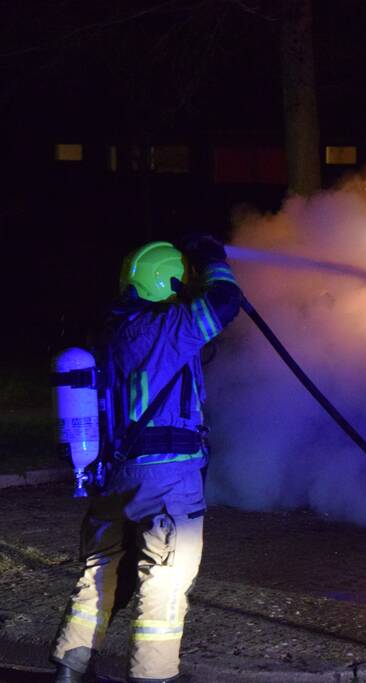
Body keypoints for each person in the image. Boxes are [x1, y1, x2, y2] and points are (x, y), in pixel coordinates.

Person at [51, 236, 242, 683]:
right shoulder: (171, 326)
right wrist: (214, 261)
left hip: (113, 476)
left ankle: (69, 667)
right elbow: (226, 300)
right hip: (168, 479)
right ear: (168, 281)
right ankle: (153, 676)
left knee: (99, 570)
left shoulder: (111, 332)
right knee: (166, 577)